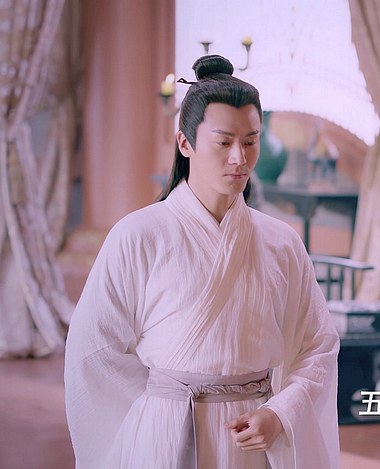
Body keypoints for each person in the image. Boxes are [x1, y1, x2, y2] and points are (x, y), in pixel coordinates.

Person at [64, 55, 340, 469]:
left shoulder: (281, 243)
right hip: (165, 433)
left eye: (250, 141)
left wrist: (279, 413)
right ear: (185, 143)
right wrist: (159, 404)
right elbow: (93, 349)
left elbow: (318, 345)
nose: (239, 158)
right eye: (224, 142)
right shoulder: (138, 235)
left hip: (252, 436)